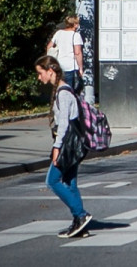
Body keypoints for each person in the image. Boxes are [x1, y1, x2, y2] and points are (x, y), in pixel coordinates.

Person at [35, 55, 92, 238]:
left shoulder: (63, 93)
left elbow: (64, 125)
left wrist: (56, 148)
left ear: (50, 71)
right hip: (73, 144)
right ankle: (79, 223)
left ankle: (81, 215)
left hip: (68, 145)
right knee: (70, 182)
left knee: (51, 181)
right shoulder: (62, 90)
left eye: (40, 73)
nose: (39, 77)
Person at [46, 15, 84, 92]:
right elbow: (77, 52)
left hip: (59, 65)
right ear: (75, 24)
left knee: (59, 88)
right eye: (77, 23)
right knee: (69, 90)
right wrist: (80, 68)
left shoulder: (59, 33)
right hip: (70, 66)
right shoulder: (76, 35)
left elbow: (49, 47)